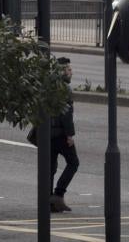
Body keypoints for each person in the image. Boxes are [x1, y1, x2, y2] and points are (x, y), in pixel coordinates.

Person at [50, 57, 79, 213]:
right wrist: (69, 135)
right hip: (60, 133)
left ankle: (48, 200)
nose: (71, 72)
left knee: (50, 167)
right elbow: (66, 114)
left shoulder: (48, 85)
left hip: (47, 133)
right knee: (73, 162)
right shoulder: (64, 88)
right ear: (61, 71)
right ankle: (58, 194)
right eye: (68, 69)